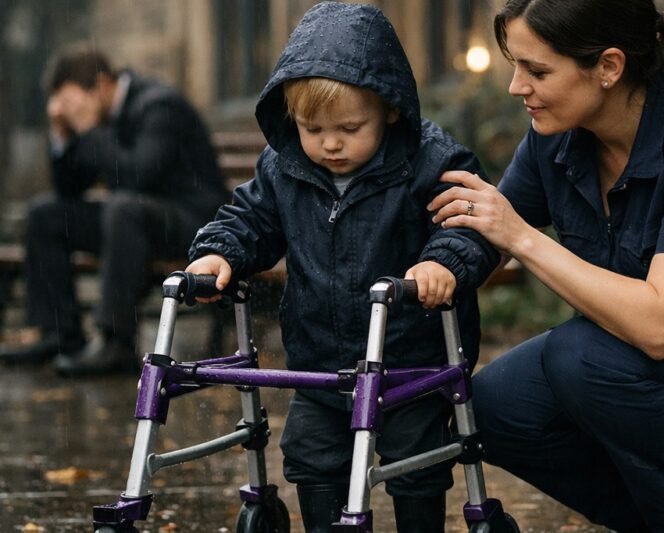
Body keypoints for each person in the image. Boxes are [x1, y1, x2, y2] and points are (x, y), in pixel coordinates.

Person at [427, 1, 664, 531]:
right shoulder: (555, 139)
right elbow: (486, 234)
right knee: (492, 408)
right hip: (650, 363)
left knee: (581, 355)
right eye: (515, 65)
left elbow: (660, 326)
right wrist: (429, 267)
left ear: (607, 67)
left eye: (537, 70)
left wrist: (523, 238)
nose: (516, 87)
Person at [185, 2, 499, 532]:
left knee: (415, 460)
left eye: (350, 128)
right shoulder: (285, 166)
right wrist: (220, 253)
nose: (329, 143)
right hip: (322, 361)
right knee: (312, 457)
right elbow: (250, 219)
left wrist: (439, 264)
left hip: (409, 359)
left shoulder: (432, 161)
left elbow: (467, 225)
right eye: (312, 128)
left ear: (390, 109)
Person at [0, 45, 228, 376]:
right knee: (46, 213)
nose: (70, 112)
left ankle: (116, 342)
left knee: (123, 208)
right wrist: (63, 136)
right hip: (134, 221)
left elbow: (137, 176)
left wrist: (91, 130)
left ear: (102, 84)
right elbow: (69, 189)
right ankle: (57, 334)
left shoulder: (160, 105)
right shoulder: (105, 120)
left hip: (193, 222)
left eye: (72, 101)